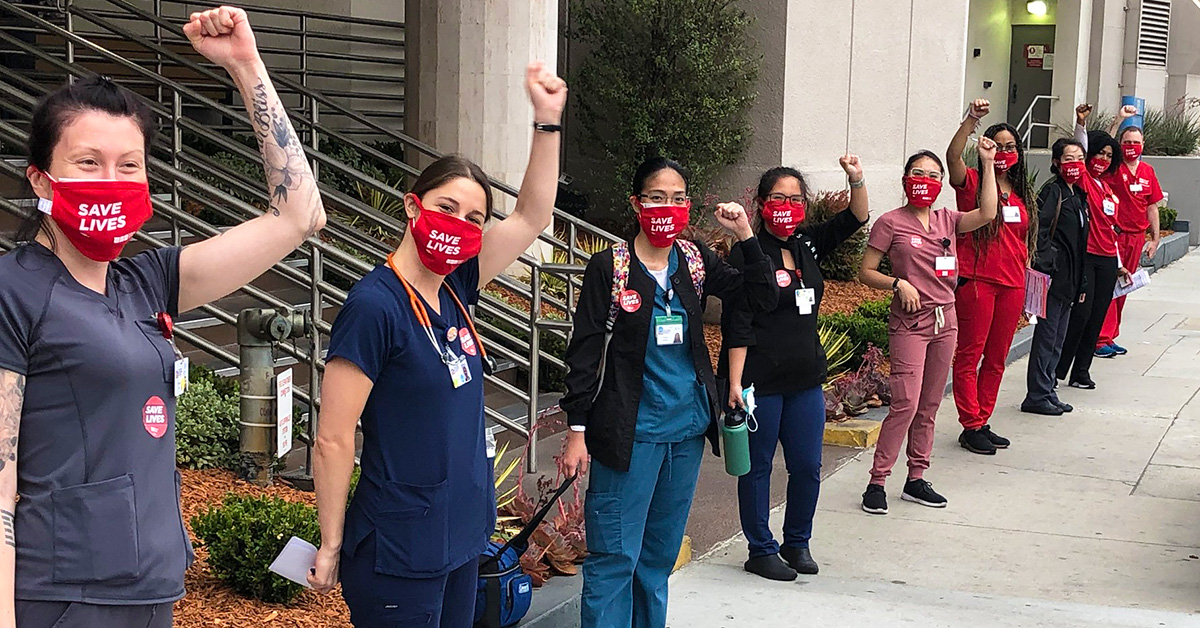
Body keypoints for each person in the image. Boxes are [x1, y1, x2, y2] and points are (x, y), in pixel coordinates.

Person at [0, 8, 327, 628]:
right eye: (87, 162)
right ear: (41, 179)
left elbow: (299, 216)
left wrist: (246, 66)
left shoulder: (146, 281)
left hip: (152, 584)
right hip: (66, 593)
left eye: (130, 165)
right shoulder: (13, 291)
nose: (111, 180)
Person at [305, 65, 567, 626]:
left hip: (461, 536)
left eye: (474, 218)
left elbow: (530, 215)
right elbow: (332, 438)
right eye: (446, 207)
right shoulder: (374, 307)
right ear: (411, 205)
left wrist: (547, 123)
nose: (459, 225)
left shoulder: (457, 287)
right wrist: (329, 543)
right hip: (400, 545)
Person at [558, 157, 777, 628]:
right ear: (636, 203)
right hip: (628, 435)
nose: (668, 207)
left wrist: (746, 236)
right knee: (614, 556)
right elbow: (585, 349)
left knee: (657, 557)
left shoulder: (694, 260)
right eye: (657, 197)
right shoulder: (610, 267)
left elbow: (761, 299)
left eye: (679, 198)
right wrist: (577, 429)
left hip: (686, 430)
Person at [718, 155, 869, 581]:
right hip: (759, 380)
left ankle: (797, 542)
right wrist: (734, 382)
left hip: (805, 378)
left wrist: (855, 178)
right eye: (778, 198)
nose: (787, 205)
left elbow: (856, 218)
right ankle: (760, 549)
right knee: (758, 466)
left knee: (807, 465)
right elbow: (739, 320)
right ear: (762, 204)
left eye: (796, 198)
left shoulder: (807, 243)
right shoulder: (749, 249)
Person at [858, 140, 999, 515]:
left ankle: (916, 477)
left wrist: (986, 163)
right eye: (918, 174)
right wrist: (896, 283)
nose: (926, 180)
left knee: (930, 404)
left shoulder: (948, 220)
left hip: (945, 320)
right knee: (905, 402)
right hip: (910, 323)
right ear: (906, 180)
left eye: (933, 176)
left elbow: (987, 212)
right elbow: (866, 271)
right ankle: (877, 481)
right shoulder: (890, 222)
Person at [945, 99, 1034, 456]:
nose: (1004, 152)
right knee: (971, 354)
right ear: (987, 147)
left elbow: (1023, 238)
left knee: (997, 357)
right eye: (998, 145)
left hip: (1012, 283)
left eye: (1011, 147)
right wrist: (970, 122)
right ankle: (971, 423)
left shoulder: (1019, 191)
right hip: (978, 279)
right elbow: (952, 158)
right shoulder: (973, 183)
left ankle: (982, 418)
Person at [1056, 105, 1132, 389]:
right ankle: (1058, 371)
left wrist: (1119, 261)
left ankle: (1081, 372)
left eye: (1109, 156)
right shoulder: (1084, 180)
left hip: (1107, 261)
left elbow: (1111, 231)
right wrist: (1081, 124)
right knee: (1080, 316)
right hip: (1085, 258)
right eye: (1100, 153)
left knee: (1097, 317)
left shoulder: (1107, 187)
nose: (1103, 159)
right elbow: (1083, 145)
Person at [1021, 138, 1090, 416]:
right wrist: (1051, 265)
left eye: (1079, 159)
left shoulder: (1077, 195)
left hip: (1070, 281)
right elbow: (1038, 230)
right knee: (1047, 337)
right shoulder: (1053, 192)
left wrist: (1080, 282)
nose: (1074, 165)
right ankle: (1036, 395)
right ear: (1056, 163)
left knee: (1058, 338)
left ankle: (1048, 389)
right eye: (1068, 159)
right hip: (1053, 279)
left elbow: (1080, 243)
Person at [1094, 105, 1165, 358]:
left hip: (1136, 237)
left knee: (1124, 287)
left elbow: (1152, 206)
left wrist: (1154, 239)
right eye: (1126, 142)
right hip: (1114, 235)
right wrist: (1119, 119)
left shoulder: (1147, 171)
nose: (1131, 146)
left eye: (1136, 142)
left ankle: (1110, 335)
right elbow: (1103, 143)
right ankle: (1099, 338)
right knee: (1108, 286)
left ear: (1143, 144)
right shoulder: (1113, 168)